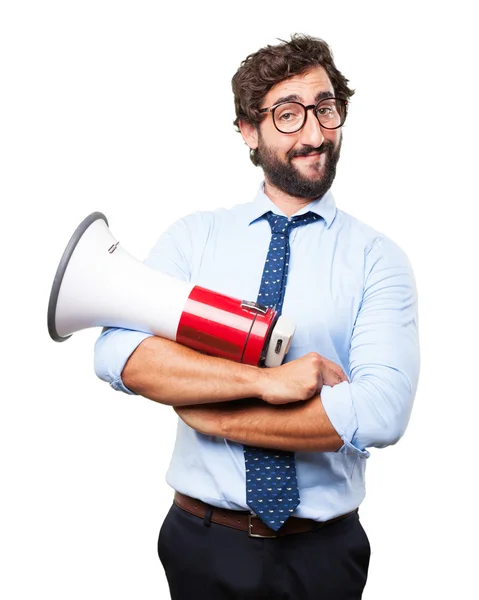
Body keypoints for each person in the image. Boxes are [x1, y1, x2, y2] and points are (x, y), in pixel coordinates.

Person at [94, 33, 420, 600]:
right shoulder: (195, 239)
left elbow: (380, 411)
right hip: (201, 542)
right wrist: (266, 384)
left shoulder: (378, 258)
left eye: (326, 109)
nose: (316, 134)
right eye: (288, 115)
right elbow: (118, 353)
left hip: (323, 553)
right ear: (249, 131)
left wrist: (216, 416)